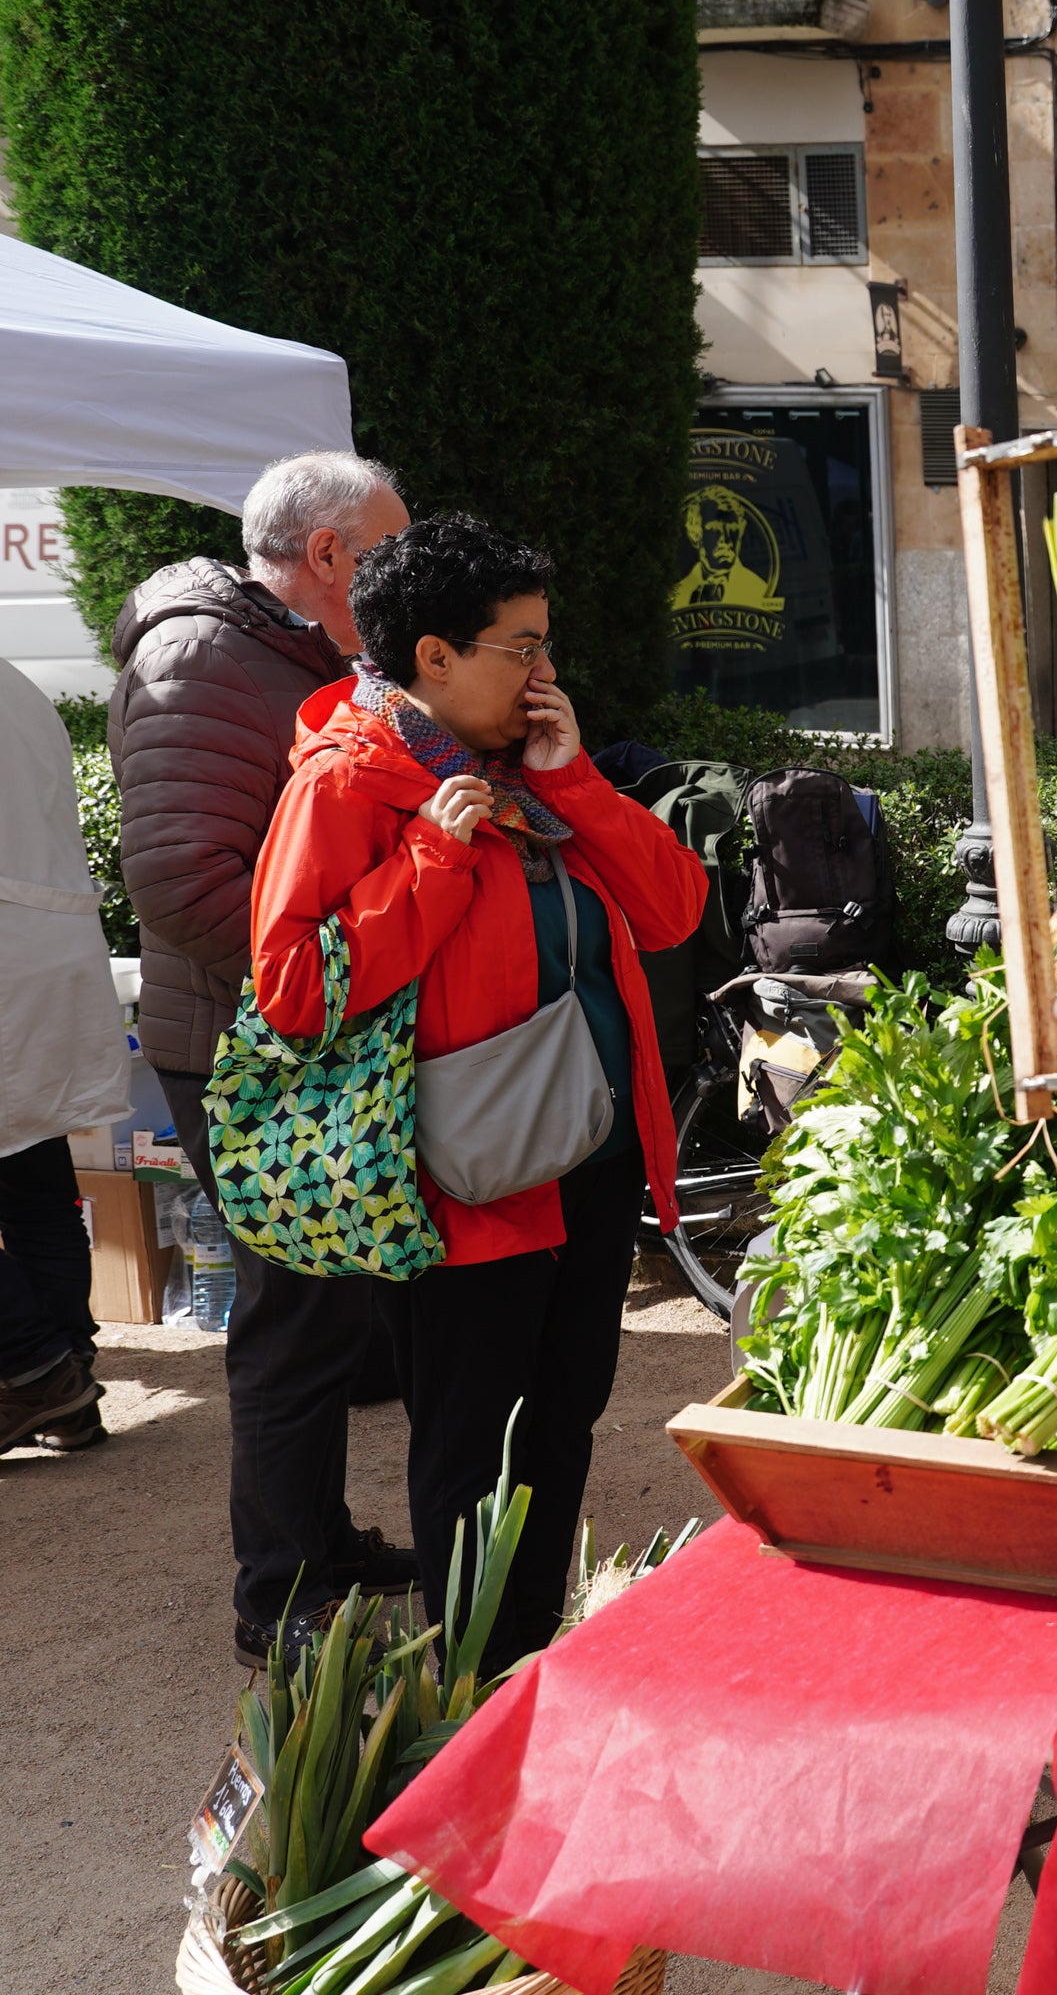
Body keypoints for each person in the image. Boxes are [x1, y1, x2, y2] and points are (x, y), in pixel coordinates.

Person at [248, 513, 706, 1669]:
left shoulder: (531, 773)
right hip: (463, 1189)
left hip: (590, 1167)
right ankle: (478, 1684)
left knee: (562, 1425)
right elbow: (295, 986)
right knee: (476, 1448)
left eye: (547, 644)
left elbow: (673, 910)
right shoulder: (352, 781)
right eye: (522, 646)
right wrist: (433, 862)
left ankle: (528, 1660)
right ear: (434, 657)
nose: (545, 672)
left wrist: (581, 782)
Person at [107, 450, 420, 1657]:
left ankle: (319, 1543)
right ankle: (280, 1597)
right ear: (328, 555)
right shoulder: (200, 653)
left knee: (330, 1311)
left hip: (293, 1033)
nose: (395, 572)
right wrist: (349, 972)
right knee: (293, 1318)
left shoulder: (296, 652)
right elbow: (185, 884)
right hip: (252, 1043)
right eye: (383, 549)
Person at [0, 662, 135, 1447]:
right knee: (34, 1178)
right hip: (46, 951)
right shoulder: (16, 683)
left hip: (13, 952)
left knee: (32, 1176)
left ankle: (33, 1368)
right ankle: (70, 1385)